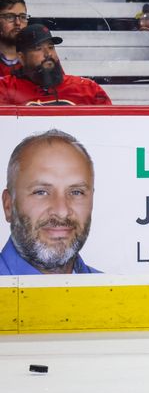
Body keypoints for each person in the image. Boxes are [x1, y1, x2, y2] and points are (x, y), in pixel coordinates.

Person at [1, 129, 101, 275]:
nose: (62, 212)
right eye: (41, 192)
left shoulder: (116, 294)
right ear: (8, 205)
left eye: (76, 192)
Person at [0, 24, 112, 106]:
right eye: (38, 48)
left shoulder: (88, 89)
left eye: (51, 47)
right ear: (21, 58)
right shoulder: (5, 88)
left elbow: (109, 127)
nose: (48, 54)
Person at [0, 0, 27, 78]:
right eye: (10, 17)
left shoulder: (38, 56)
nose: (18, 23)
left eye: (23, 17)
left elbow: (61, 89)